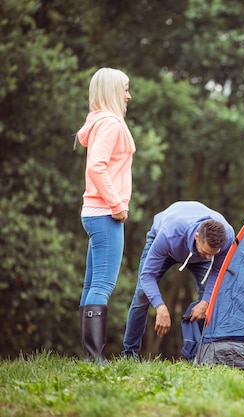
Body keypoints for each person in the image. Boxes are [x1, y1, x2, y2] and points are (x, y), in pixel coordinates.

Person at [121, 201, 235, 359]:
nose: (209, 258)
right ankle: (129, 354)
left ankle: (203, 355)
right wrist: (160, 307)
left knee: (210, 300)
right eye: (206, 252)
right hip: (168, 246)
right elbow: (147, 276)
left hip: (195, 251)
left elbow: (216, 270)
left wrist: (206, 301)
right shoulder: (169, 234)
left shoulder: (227, 238)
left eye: (213, 254)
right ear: (197, 237)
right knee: (142, 294)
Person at [77, 67, 135, 363]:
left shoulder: (99, 122)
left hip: (94, 212)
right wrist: (117, 205)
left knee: (91, 285)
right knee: (102, 285)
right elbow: (96, 167)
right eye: (125, 89)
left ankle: (91, 357)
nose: (128, 95)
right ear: (112, 91)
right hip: (104, 214)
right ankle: (95, 358)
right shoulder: (111, 124)